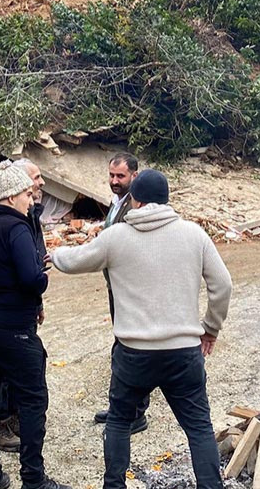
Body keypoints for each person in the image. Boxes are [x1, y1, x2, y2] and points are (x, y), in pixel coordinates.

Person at [50, 169, 232, 489]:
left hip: (134, 353)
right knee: (199, 427)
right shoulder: (194, 234)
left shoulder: (116, 237)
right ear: (167, 200)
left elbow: (73, 261)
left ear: (133, 199)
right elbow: (223, 285)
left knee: (119, 422)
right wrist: (210, 328)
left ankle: (115, 485)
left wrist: (53, 253)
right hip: (183, 353)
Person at [0, 162, 68, 489]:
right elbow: (31, 278)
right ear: (10, 196)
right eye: (27, 194)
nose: (31, 201)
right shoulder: (16, 228)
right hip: (15, 330)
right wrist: (45, 275)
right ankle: (33, 478)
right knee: (33, 400)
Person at [92, 153, 150, 432]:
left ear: (134, 176)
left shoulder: (138, 207)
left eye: (121, 177)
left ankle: (136, 412)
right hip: (116, 287)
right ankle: (121, 407)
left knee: (132, 350)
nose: (115, 181)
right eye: (112, 176)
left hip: (130, 289)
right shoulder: (118, 203)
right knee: (121, 347)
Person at [0, 158, 48, 453]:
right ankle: (3, 423)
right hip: (9, 316)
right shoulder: (14, 221)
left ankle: (15, 418)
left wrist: (37, 303)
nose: (38, 184)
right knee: (8, 370)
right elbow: (28, 274)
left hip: (25, 307)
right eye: (33, 179)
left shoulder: (32, 213)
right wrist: (38, 286)